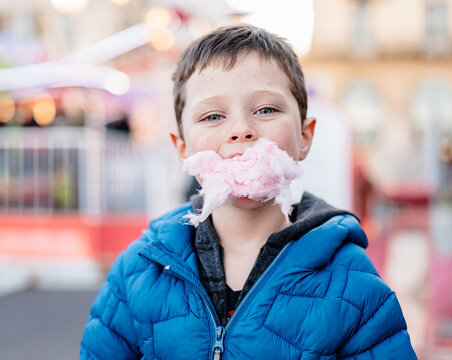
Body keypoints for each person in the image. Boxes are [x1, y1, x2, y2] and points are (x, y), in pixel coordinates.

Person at [80, 24, 417, 359]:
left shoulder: (353, 285)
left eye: (266, 110)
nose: (241, 130)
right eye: (213, 116)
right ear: (183, 149)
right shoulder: (139, 272)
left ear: (304, 137)